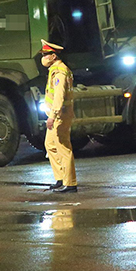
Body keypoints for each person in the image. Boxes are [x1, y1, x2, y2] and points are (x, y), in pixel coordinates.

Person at [40, 39, 77, 193]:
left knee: (63, 148)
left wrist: (53, 116)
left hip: (59, 115)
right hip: (56, 115)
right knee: (50, 145)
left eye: (46, 54)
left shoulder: (60, 72)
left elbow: (59, 97)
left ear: (54, 56)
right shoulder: (54, 70)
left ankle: (70, 183)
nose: (43, 57)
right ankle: (61, 178)